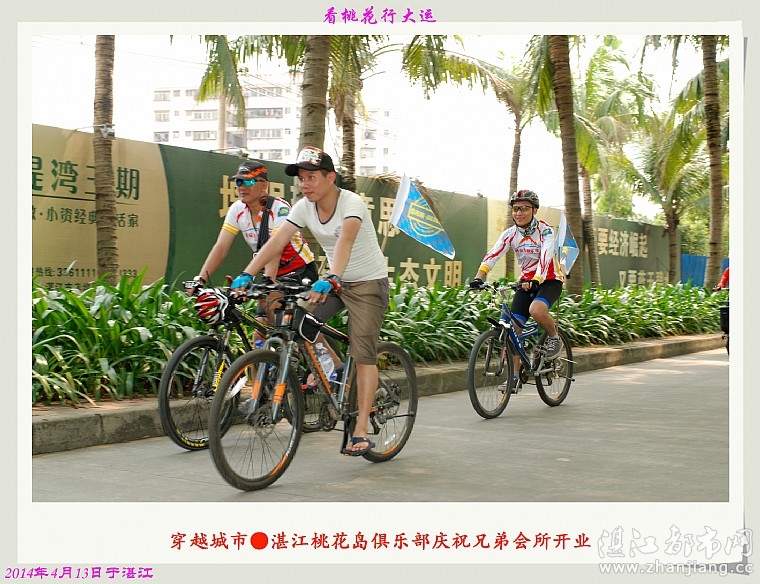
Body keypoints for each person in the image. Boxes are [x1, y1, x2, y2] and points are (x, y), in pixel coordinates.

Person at [231, 146, 389, 457]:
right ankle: (329, 371)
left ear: (331, 178)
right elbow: (277, 240)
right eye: (301, 178)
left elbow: (345, 240)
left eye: (312, 177)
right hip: (334, 282)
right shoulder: (304, 207)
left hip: (367, 284)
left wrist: (333, 275)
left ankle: (359, 430)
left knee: (363, 353)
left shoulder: (351, 203)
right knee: (296, 320)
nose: (305, 184)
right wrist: (247, 274)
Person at [186, 160, 318, 339]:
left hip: (299, 271)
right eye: (239, 182)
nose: (242, 187)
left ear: (264, 185)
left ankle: (326, 356)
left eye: (248, 181)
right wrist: (200, 279)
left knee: (296, 331)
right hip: (271, 274)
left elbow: (275, 249)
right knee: (259, 336)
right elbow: (221, 247)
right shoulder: (237, 209)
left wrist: (268, 282)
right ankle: (272, 356)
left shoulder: (280, 208)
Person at [468, 189, 564, 389]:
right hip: (526, 282)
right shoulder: (510, 234)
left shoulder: (545, 231)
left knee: (536, 310)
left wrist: (537, 278)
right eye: (515, 209)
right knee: (512, 329)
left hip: (549, 279)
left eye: (524, 208)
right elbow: (493, 255)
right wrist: (478, 278)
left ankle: (554, 338)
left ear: (534, 210)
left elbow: (546, 257)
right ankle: (514, 377)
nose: (519, 213)